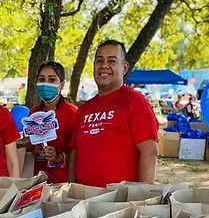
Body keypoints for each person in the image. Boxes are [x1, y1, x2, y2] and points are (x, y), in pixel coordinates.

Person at [68, 39, 158, 188]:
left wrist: (144, 196)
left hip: (120, 202)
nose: (104, 66)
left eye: (112, 61)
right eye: (99, 61)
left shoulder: (135, 101)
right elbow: (75, 153)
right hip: (83, 200)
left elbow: (149, 151)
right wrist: (70, 189)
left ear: (124, 67)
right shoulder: (84, 109)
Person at [28, 61, 77, 183]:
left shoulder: (73, 113)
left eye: (52, 80)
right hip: (37, 180)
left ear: (62, 85)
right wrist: (35, 149)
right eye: (41, 79)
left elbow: (78, 152)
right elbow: (31, 144)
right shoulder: (34, 112)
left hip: (62, 182)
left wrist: (58, 156)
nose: (46, 84)